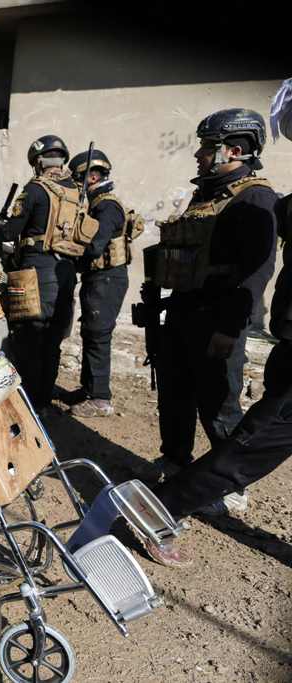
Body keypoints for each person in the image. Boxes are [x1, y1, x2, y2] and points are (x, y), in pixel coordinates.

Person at [147, 109, 277, 511]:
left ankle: (227, 485)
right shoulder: (207, 194)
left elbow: (256, 273)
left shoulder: (254, 198)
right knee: (175, 392)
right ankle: (175, 460)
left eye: (208, 146)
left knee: (219, 403)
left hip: (219, 318)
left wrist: (229, 328)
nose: (199, 155)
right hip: (185, 310)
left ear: (234, 150)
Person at [0, 135, 88, 415]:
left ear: (38, 162)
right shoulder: (77, 192)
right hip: (66, 272)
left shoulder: (35, 190)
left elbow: (10, 231)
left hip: (38, 271)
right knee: (53, 338)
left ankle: (29, 401)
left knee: (30, 336)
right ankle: (43, 398)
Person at [67, 149, 131, 417]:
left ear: (92, 177)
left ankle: (100, 399)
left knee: (98, 337)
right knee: (91, 333)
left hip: (107, 279)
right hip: (100, 278)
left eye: (78, 179)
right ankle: (89, 389)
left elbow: (95, 247)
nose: (76, 185)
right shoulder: (99, 204)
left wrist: (68, 254)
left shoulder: (106, 206)